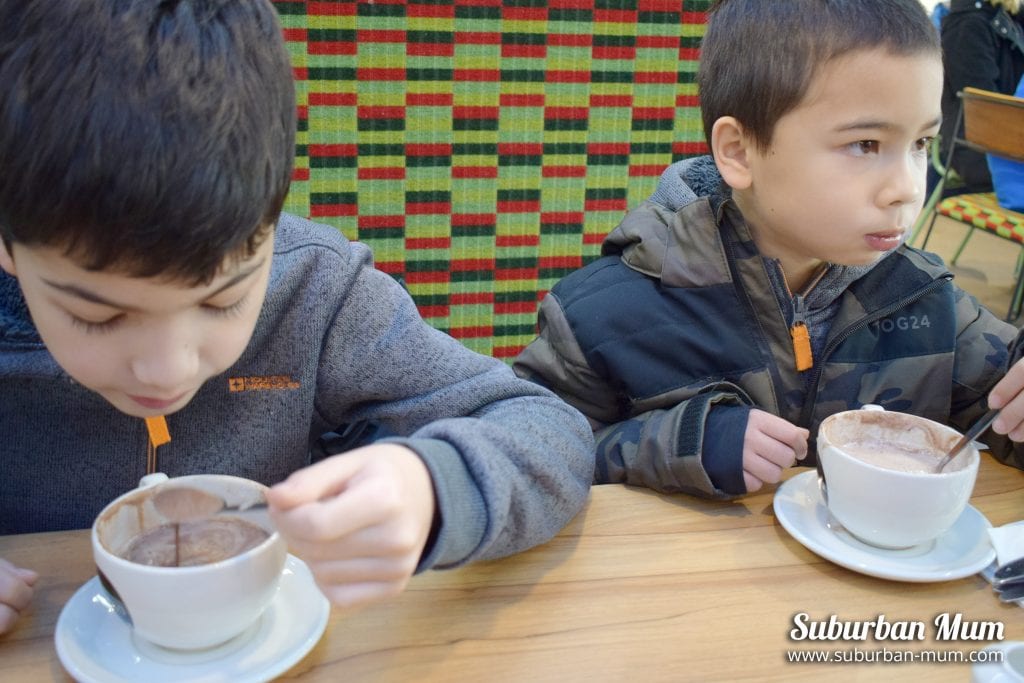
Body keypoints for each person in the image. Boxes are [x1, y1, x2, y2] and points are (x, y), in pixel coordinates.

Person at [0, 0, 594, 636]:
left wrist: (433, 485)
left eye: (223, 300)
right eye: (99, 314)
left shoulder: (315, 289)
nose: (168, 368)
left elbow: (548, 430)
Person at [513, 0, 1024, 501]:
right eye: (864, 145)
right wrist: (682, 443)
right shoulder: (605, 315)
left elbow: (1004, 412)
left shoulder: (925, 299)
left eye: (920, 144)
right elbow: (527, 450)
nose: (909, 188)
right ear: (738, 151)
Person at [937, 0, 1024, 194]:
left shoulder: (1007, 18)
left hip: (1008, 146)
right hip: (978, 150)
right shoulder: (968, 25)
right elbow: (986, 113)